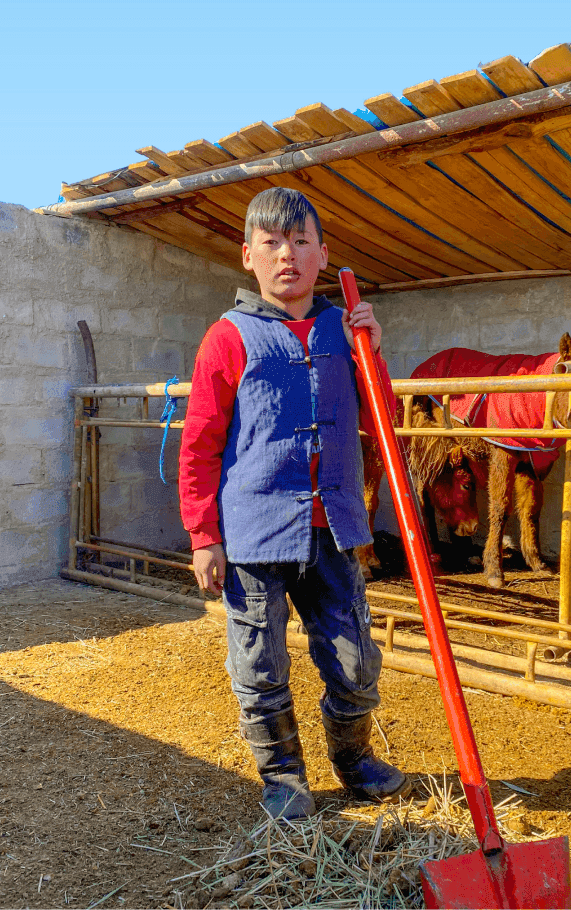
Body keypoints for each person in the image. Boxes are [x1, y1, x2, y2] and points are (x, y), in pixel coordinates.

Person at [178, 186, 410, 820]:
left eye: (302, 241)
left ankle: (354, 761)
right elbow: (200, 443)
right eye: (273, 242)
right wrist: (203, 535)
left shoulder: (345, 330)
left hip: (332, 527)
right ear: (248, 255)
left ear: (323, 255)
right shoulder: (228, 337)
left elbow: (381, 421)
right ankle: (283, 778)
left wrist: (372, 354)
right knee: (260, 662)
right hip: (255, 531)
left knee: (355, 658)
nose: (288, 254)